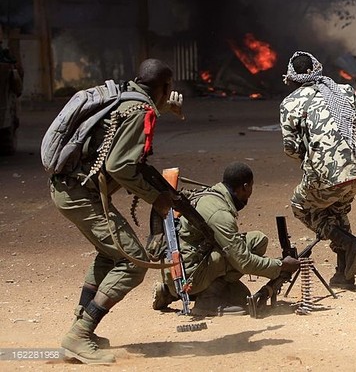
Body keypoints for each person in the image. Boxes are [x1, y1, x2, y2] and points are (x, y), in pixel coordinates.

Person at [50, 58, 183, 364]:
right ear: (163, 87)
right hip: (81, 195)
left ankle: (81, 328)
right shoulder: (142, 110)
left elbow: (121, 124)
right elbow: (120, 166)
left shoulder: (126, 95)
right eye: (169, 88)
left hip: (69, 190)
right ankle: (79, 336)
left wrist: (163, 108)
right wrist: (156, 197)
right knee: (133, 263)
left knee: (109, 255)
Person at [280, 51, 356, 289]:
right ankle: (343, 275)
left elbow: (290, 148)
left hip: (323, 176)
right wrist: (351, 154)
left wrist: (313, 159)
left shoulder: (290, 102)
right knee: (337, 211)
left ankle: (350, 243)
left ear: (292, 78)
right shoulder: (343, 91)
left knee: (300, 206)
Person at [152, 162, 300, 315]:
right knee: (240, 256)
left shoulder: (211, 194)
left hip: (179, 270)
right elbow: (244, 261)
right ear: (245, 186)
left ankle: (169, 292)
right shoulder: (219, 214)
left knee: (257, 240)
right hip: (188, 277)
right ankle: (208, 300)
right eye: (250, 187)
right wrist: (281, 266)